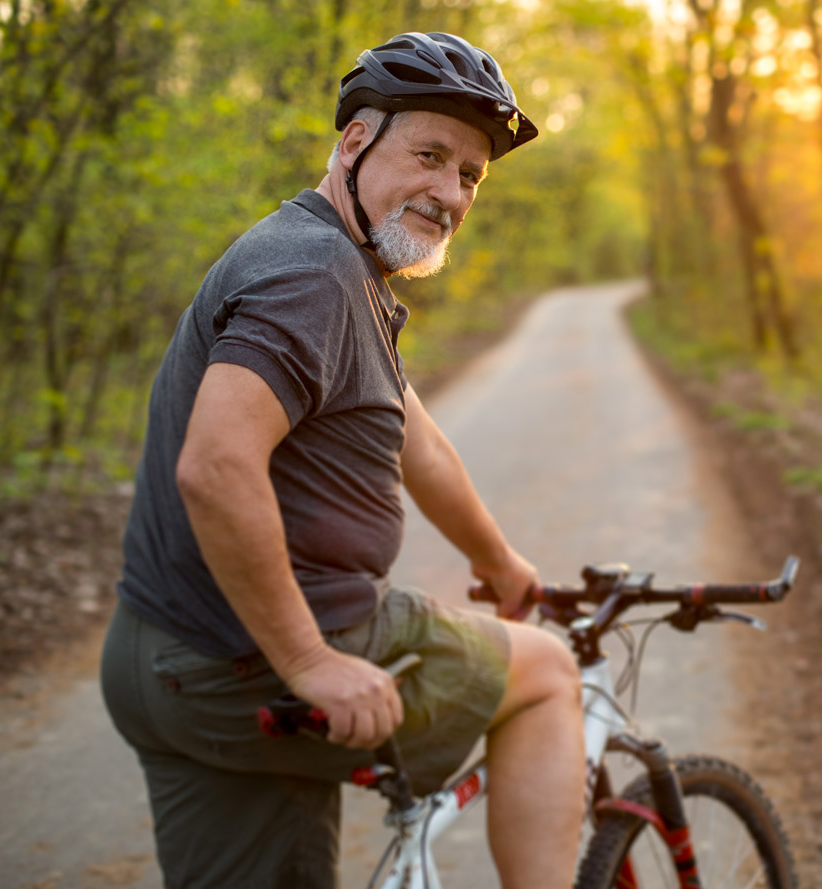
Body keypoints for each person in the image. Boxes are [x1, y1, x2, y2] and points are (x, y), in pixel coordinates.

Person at [99, 31, 584, 889]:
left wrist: (498, 561)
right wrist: (309, 661)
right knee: (546, 673)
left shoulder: (334, 264)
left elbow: (416, 439)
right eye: (430, 155)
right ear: (355, 142)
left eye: (470, 175)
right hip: (248, 660)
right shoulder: (314, 275)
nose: (450, 192)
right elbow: (215, 465)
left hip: (162, 661)